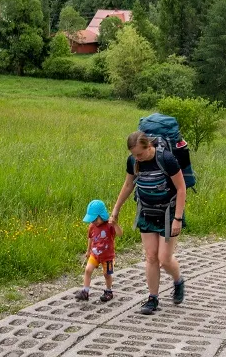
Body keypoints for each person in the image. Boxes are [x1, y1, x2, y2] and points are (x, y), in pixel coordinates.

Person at [111, 131, 187, 315]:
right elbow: (128, 185)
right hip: (146, 212)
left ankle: (178, 281)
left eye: (140, 154)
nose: (137, 158)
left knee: (164, 259)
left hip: (168, 214)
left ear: (149, 146)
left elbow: (181, 188)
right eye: (133, 154)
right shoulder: (133, 161)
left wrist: (178, 218)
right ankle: (152, 298)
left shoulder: (166, 159)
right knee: (151, 257)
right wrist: (116, 210)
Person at [74, 199, 123, 302]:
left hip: (107, 256)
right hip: (95, 254)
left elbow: (120, 234)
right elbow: (90, 238)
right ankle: (85, 291)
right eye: (92, 220)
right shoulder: (92, 226)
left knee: (106, 274)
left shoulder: (109, 226)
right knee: (88, 270)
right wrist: (88, 251)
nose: (93, 222)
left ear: (102, 215)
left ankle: (108, 291)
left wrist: (115, 224)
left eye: (95, 219)